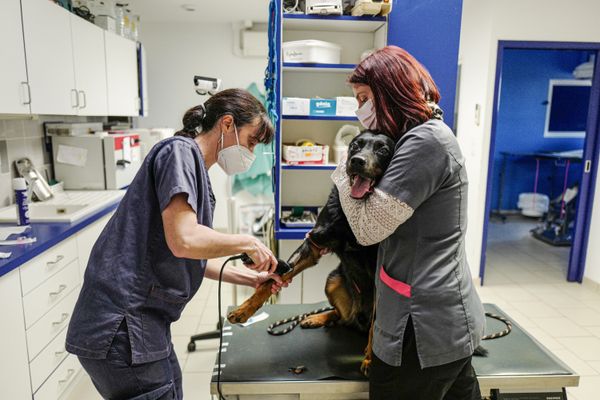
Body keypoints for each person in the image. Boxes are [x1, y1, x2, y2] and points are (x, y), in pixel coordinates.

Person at [66, 89, 288, 400]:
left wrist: (250, 278)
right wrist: (248, 242)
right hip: (122, 325)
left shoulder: (194, 167)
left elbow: (189, 254)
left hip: (145, 323)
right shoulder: (179, 153)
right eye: (251, 140)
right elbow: (184, 240)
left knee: (172, 387)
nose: (250, 153)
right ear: (226, 124)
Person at [332, 46, 486, 399]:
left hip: (425, 326)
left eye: (365, 98)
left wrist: (343, 169)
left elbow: (368, 229)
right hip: (430, 316)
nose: (360, 109)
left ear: (390, 92)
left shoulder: (425, 142)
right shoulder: (414, 137)